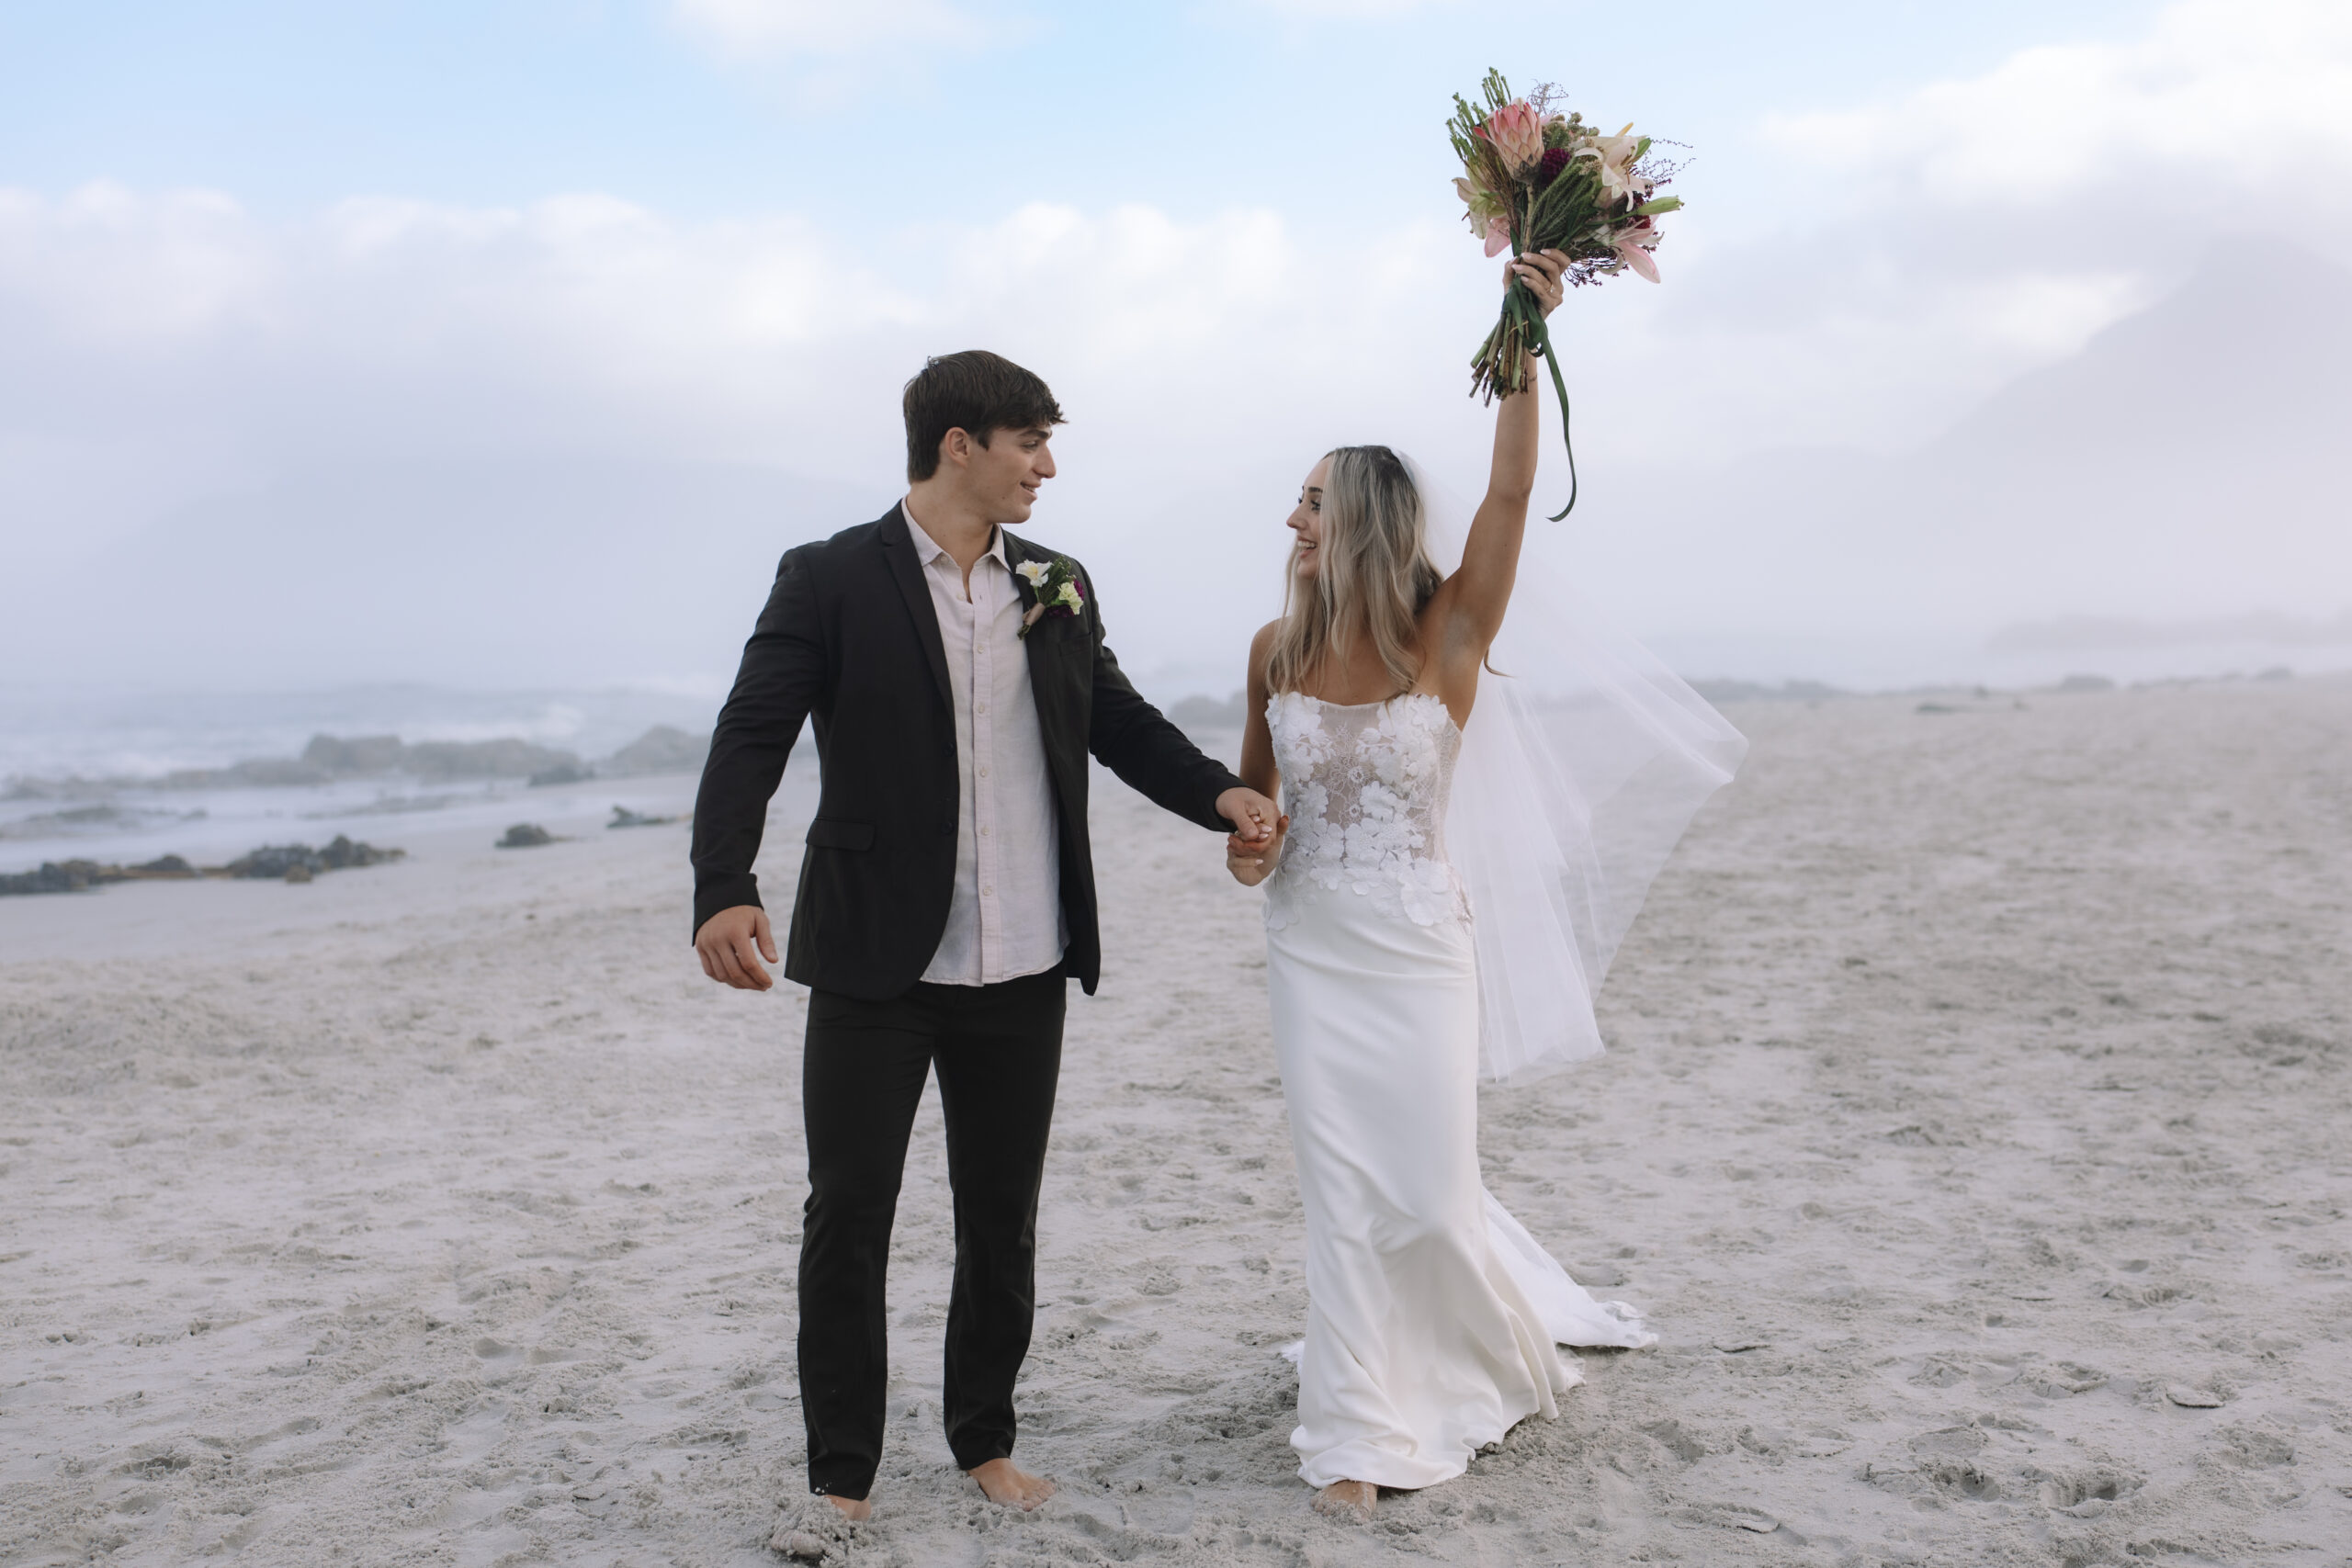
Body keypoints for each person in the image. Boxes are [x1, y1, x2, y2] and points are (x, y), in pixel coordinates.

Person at [690, 350, 1281, 1553]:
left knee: (1000, 1215)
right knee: (849, 1212)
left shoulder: (1057, 583)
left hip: (1025, 953)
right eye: (1030, 443)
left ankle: (985, 1442)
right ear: (959, 444)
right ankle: (841, 1474)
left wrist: (1220, 794)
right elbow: (752, 733)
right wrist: (723, 886)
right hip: (875, 959)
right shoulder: (827, 577)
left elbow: (1115, 720)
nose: (1046, 467)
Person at [1226, 249, 1729, 1518]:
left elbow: (1511, 488)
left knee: (1433, 1195)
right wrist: (1250, 846)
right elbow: (1252, 820)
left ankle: (1473, 1344)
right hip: (1310, 947)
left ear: (1363, 519)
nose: (1291, 522)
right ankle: (1356, 1434)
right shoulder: (1273, 649)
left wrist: (1524, 329)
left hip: (1415, 949)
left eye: (1310, 503)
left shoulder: (1449, 630)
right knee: (1343, 1191)